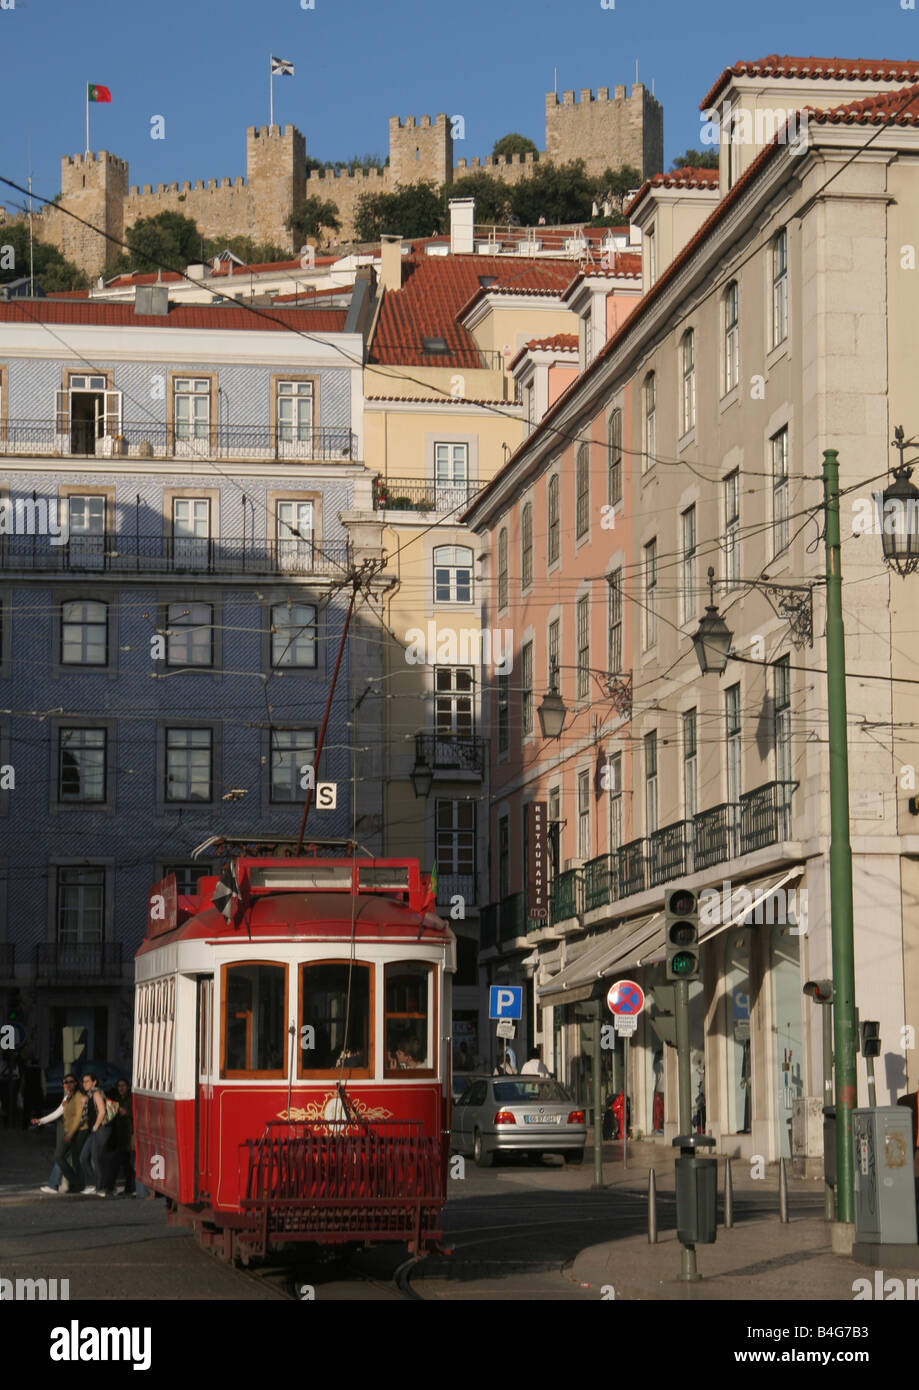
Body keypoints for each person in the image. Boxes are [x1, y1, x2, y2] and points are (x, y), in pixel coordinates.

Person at [32, 1074, 85, 1193]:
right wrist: (41, 1121)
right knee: (61, 1158)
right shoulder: (67, 1098)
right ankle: (54, 1184)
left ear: (76, 1083)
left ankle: (78, 1184)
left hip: (75, 1133)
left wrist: (70, 1133)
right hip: (71, 1132)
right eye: (65, 1082)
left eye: (70, 1082)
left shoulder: (78, 1096)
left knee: (61, 1157)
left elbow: (79, 1118)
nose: (67, 1084)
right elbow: (57, 1113)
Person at [79, 1071, 113, 1196]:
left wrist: (95, 1126)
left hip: (101, 1128)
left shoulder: (96, 1093)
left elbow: (102, 1111)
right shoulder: (88, 1095)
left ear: (94, 1082)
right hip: (94, 1129)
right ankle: (92, 1184)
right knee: (83, 1157)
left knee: (95, 1159)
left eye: (87, 1081)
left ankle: (101, 1187)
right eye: (83, 1081)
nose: (84, 1083)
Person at [108, 1079, 135, 1196]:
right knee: (123, 1163)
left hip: (129, 1134)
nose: (121, 1088)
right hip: (120, 1135)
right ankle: (127, 1188)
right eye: (119, 1086)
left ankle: (130, 1188)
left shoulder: (131, 1098)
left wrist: (126, 1112)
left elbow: (133, 1112)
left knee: (128, 1163)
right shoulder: (118, 1098)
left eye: (123, 1086)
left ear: (128, 1087)